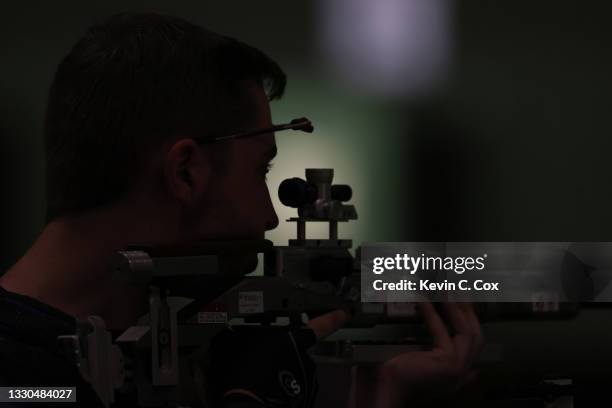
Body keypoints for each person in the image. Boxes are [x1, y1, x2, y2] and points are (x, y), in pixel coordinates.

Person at [0, 12, 483, 407]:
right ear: (186, 172)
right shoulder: (25, 378)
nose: (269, 219)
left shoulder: (133, 352)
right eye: (261, 172)